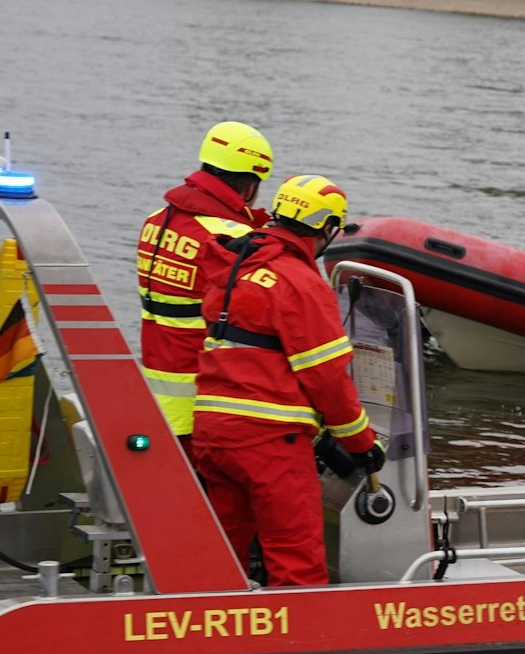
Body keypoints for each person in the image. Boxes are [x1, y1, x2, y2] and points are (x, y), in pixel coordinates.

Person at [191, 174, 382, 586]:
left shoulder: (237, 266)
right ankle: (300, 644)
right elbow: (328, 379)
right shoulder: (300, 282)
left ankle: (215, 633)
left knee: (222, 552)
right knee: (295, 558)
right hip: (268, 442)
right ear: (327, 229)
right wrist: (362, 444)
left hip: (212, 433)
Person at [136, 121, 272, 446]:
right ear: (250, 187)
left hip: (153, 394)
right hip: (200, 402)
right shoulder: (233, 238)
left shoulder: (155, 221)